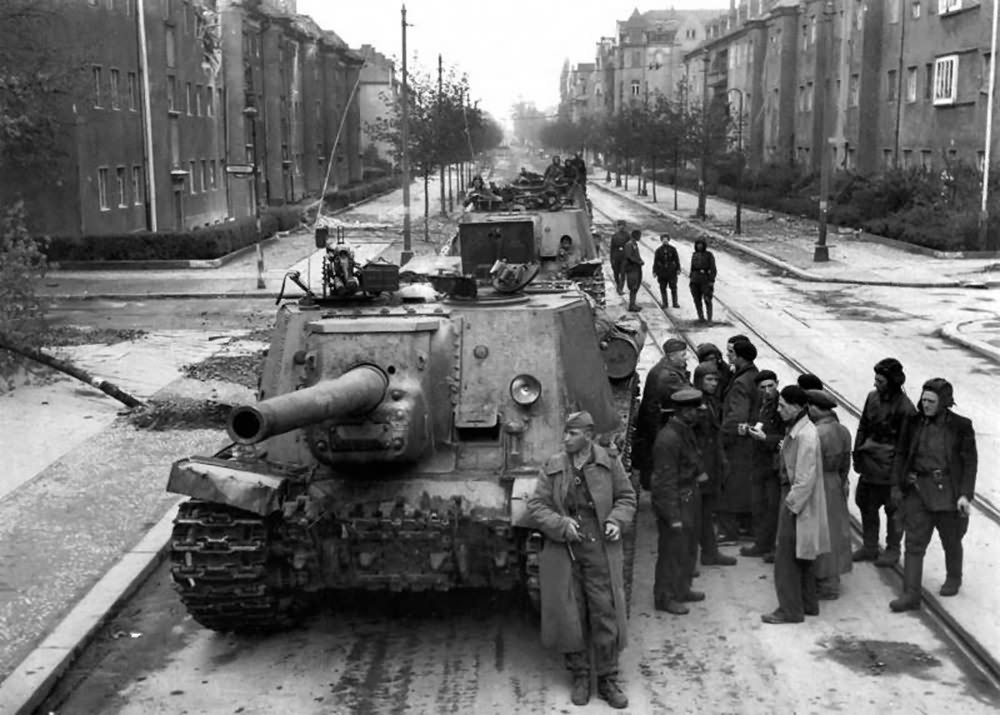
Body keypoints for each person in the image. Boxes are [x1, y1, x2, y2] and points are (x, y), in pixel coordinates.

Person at [527, 411, 635, 708]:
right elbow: (536, 505)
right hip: (566, 548)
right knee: (570, 613)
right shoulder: (554, 466)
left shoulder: (608, 462)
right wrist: (561, 525)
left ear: (588, 435)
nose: (565, 439)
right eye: (565, 433)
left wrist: (616, 520)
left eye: (572, 434)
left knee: (604, 611)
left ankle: (608, 678)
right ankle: (581, 676)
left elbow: (627, 497)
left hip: (599, 547)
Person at [889, 379, 977, 612]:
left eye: (931, 401)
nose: (925, 405)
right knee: (914, 543)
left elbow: (970, 464)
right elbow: (901, 454)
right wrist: (897, 484)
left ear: (944, 403)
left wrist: (965, 495)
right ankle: (911, 594)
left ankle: (954, 577)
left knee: (951, 538)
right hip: (918, 489)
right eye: (924, 400)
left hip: (947, 493)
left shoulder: (960, 426)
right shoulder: (913, 422)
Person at [762, 386, 830, 624]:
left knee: (786, 560)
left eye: (783, 406)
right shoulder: (800, 428)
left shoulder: (804, 435)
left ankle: (789, 610)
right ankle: (808, 604)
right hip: (802, 503)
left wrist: (790, 508)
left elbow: (804, 479)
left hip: (797, 503)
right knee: (803, 557)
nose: (778, 410)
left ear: (798, 407)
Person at [852, 358, 917, 567]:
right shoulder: (872, 398)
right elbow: (863, 426)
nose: (875, 384)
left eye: (880, 381)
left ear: (892, 382)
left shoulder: (906, 409)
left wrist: (899, 478)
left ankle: (892, 550)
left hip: (891, 470)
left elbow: (906, 448)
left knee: (893, 511)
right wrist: (857, 454)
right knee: (866, 505)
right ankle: (870, 546)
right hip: (869, 464)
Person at [651, 389, 709, 615]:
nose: (698, 413)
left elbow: (692, 457)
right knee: (672, 552)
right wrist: (672, 516)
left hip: (689, 496)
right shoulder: (669, 439)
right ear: (684, 411)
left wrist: (699, 474)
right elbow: (664, 482)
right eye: (694, 410)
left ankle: (682, 589)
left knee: (687, 548)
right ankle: (665, 597)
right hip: (676, 500)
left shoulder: (684, 430)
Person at [808, 389, 853, 600]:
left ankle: (824, 581)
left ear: (815, 408)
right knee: (836, 531)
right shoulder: (843, 431)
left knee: (819, 532)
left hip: (818, 483)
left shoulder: (815, 433)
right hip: (835, 482)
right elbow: (846, 463)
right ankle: (833, 578)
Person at [692, 361, 738, 567]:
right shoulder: (695, 404)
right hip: (701, 467)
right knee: (697, 513)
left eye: (715, 380)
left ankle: (709, 552)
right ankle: (693, 558)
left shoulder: (710, 401)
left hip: (711, 464)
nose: (713, 383)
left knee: (706, 511)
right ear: (699, 380)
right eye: (709, 379)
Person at [632, 338, 692, 490]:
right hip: (658, 423)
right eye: (683, 355)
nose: (686, 358)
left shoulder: (664, 368)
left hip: (654, 421)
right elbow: (688, 394)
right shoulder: (668, 376)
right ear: (671, 356)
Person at [717, 340, 760, 543]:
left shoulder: (741, 382)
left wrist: (723, 436)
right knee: (745, 486)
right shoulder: (753, 374)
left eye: (731, 352)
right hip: (749, 441)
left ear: (741, 357)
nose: (728, 355)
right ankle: (748, 528)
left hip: (737, 443)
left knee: (730, 485)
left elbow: (737, 415)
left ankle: (728, 532)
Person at [741, 369, 784, 560]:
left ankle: (771, 546)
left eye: (770, 386)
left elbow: (787, 437)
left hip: (774, 464)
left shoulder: (783, 406)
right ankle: (761, 543)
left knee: (772, 507)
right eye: (763, 387)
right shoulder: (760, 404)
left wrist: (766, 438)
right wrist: (747, 428)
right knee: (759, 505)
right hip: (759, 461)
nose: (767, 391)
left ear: (777, 384)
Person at [689, 238, 717, 323]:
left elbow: (713, 268)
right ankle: (701, 317)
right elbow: (692, 268)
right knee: (697, 300)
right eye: (698, 244)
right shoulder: (694, 255)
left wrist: (711, 280)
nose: (699, 246)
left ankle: (709, 319)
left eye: (701, 244)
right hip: (695, 279)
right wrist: (691, 279)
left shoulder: (709, 255)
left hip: (705, 279)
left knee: (707, 299)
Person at [652, 233, 681, 308]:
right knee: (663, 288)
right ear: (661, 240)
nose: (665, 241)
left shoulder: (673, 249)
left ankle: (675, 303)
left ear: (668, 240)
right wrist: (654, 271)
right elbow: (655, 261)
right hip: (662, 272)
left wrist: (678, 269)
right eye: (663, 239)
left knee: (673, 288)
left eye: (666, 239)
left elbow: (677, 260)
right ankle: (665, 303)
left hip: (671, 272)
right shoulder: (658, 250)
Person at [623, 230, 644, 312]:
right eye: (639, 236)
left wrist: (640, 260)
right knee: (633, 287)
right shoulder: (629, 244)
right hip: (631, 268)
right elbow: (629, 256)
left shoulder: (634, 244)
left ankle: (633, 304)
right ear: (635, 236)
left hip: (636, 268)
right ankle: (631, 305)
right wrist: (638, 262)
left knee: (636, 286)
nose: (640, 237)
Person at [609, 220, 630, 295]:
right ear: (618, 226)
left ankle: (620, 288)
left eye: (623, 225)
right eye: (620, 225)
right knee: (616, 273)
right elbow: (612, 248)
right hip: (616, 257)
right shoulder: (614, 236)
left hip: (624, 257)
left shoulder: (628, 236)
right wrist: (611, 259)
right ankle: (618, 285)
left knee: (623, 273)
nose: (621, 227)